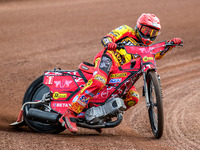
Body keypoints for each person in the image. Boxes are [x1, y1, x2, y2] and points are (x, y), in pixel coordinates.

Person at [59, 13, 182, 132]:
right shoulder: (126, 30)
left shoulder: (145, 48)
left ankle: (101, 115)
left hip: (122, 72)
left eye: (153, 32)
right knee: (98, 81)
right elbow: (107, 38)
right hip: (109, 58)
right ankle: (70, 112)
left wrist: (171, 45)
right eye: (146, 31)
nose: (149, 35)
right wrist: (109, 43)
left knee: (133, 97)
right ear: (139, 27)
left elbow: (157, 55)